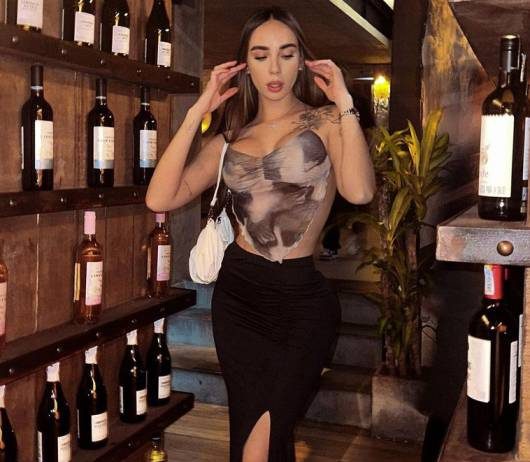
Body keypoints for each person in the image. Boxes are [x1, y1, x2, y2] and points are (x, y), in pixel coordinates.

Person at [146, 6, 375, 462]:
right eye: (261, 55)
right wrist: (197, 112)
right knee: (259, 436)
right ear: (245, 64)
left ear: (302, 61)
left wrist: (346, 102)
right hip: (239, 297)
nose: (274, 69)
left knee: (263, 439)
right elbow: (160, 198)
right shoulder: (231, 138)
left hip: (303, 301)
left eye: (286, 55)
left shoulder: (328, 122)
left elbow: (359, 191)